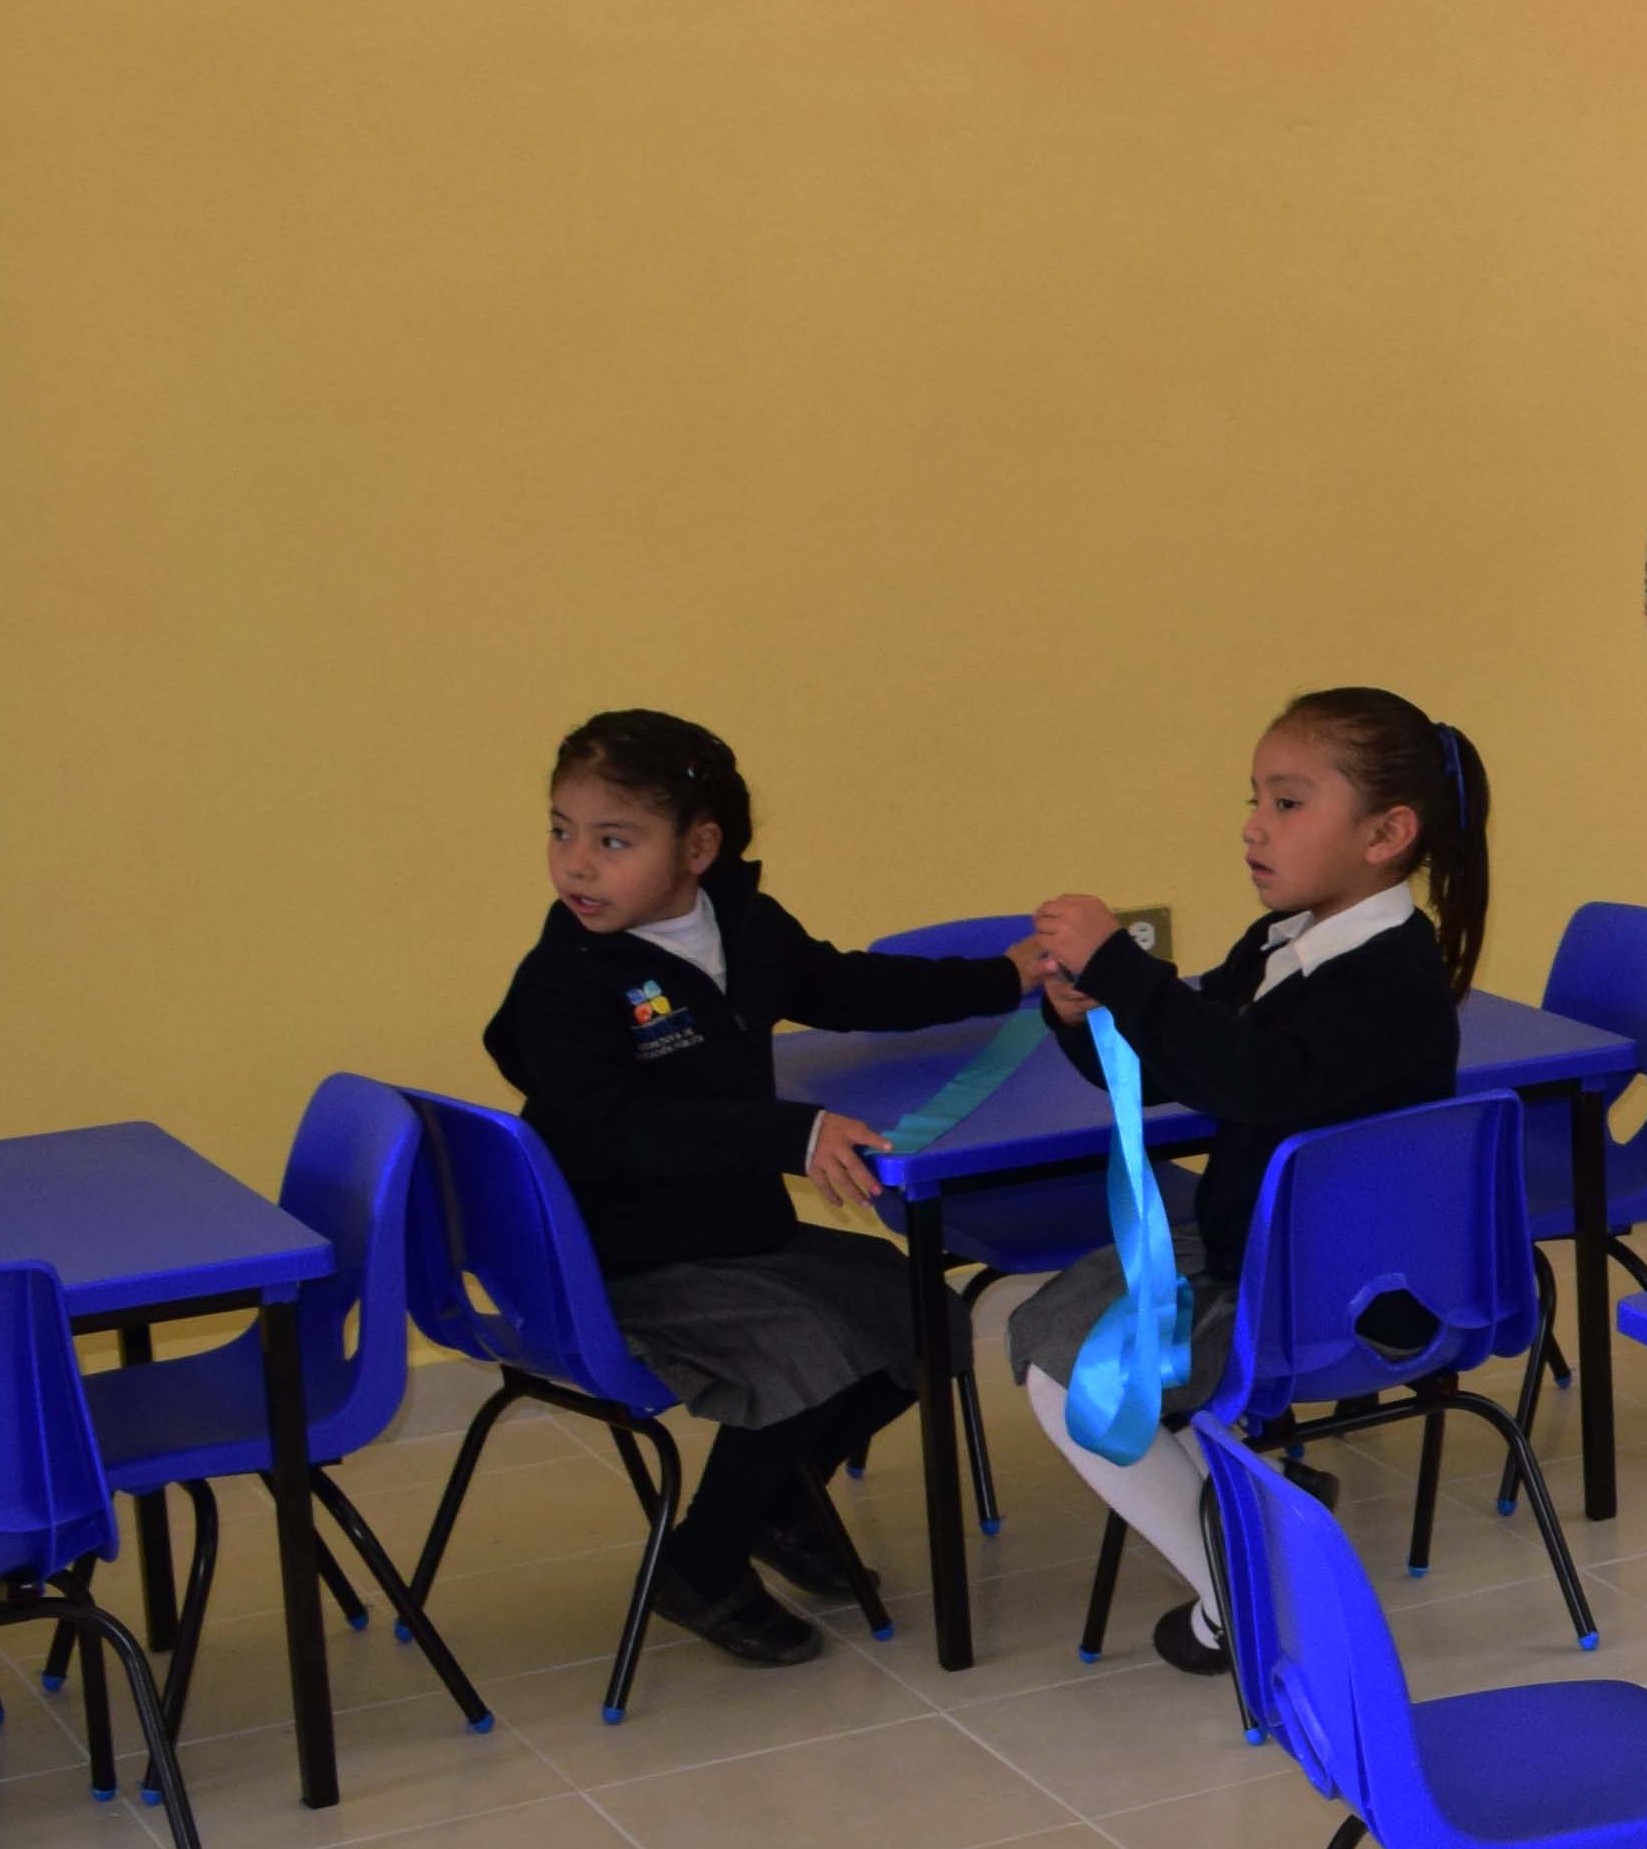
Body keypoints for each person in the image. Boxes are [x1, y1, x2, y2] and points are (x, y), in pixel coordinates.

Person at [488, 710, 1070, 1670]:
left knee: (917, 1313)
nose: (576, 864)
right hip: (619, 1256)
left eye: (612, 839)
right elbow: (625, 1126)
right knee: (808, 1347)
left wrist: (998, 978)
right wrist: (792, 1134)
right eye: (561, 831)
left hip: (727, 1230)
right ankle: (702, 1562)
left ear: (699, 847)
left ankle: (771, 1497)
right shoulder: (560, 989)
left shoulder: (740, 924)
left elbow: (845, 988)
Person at [1007, 689, 1481, 1669]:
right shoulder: (1280, 943)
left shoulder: (1389, 981)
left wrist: (1123, 970)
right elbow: (1169, 1060)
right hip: (1263, 1256)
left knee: (1078, 1377)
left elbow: (1250, 1080)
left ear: (1387, 833)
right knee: (1047, 1331)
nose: (1253, 828)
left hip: (1341, 1296)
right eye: (1254, 801)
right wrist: (1085, 1009)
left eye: (1288, 803)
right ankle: (1255, 1540)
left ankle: (1246, 1594)